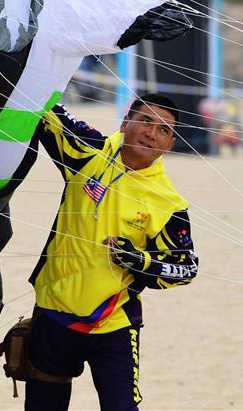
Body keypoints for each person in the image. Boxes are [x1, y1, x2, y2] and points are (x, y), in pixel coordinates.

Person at [25, 94, 198, 411]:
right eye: (145, 121)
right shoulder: (89, 152)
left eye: (163, 130)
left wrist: (139, 261)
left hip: (114, 324)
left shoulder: (169, 203)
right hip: (53, 312)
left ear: (169, 145)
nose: (150, 133)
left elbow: (186, 268)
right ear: (125, 122)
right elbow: (44, 106)